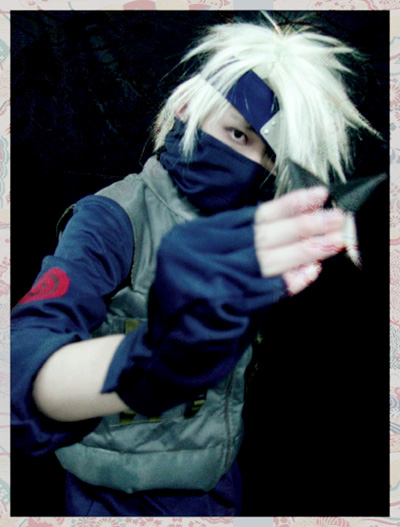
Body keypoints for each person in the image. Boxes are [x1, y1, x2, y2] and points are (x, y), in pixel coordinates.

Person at [11, 13, 383, 517]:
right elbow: (23, 358)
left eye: (269, 156)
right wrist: (149, 360)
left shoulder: (249, 235)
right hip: (115, 500)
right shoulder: (113, 218)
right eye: (238, 135)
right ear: (188, 106)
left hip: (218, 489)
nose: (250, 165)